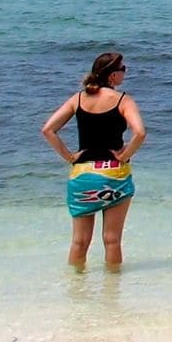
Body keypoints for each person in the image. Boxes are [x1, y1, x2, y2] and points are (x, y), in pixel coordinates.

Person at [40, 51, 145, 270]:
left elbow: (48, 130)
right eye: (122, 69)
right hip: (114, 174)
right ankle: (112, 293)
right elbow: (140, 133)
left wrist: (69, 157)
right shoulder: (123, 100)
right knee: (112, 240)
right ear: (112, 76)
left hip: (83, 176)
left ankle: (76, 292)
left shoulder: (78, 99)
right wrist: (124, 155)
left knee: (79, 242)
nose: (125, 73)